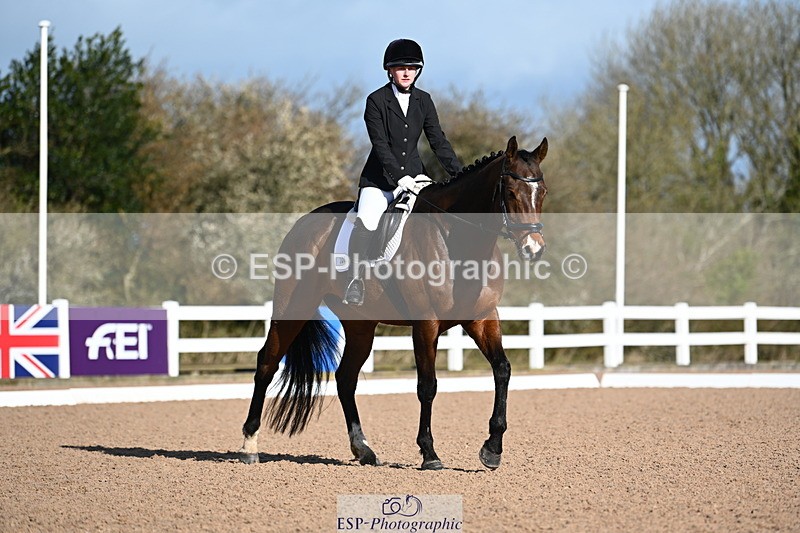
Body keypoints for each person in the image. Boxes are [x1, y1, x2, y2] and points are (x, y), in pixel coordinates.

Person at [343, 38, 463, 306]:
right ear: (390, 70)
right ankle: (355, 279)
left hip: (416, 177)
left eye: (412, 67)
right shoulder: (376, 101)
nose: (407, 72)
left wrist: (460, 175)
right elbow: (380, 146)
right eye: (401, 68)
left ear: (418, 70)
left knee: (435, 217)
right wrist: (399, 177)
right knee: (368, 220)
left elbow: (438, 142)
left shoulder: (424, 100)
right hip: (380, 180)